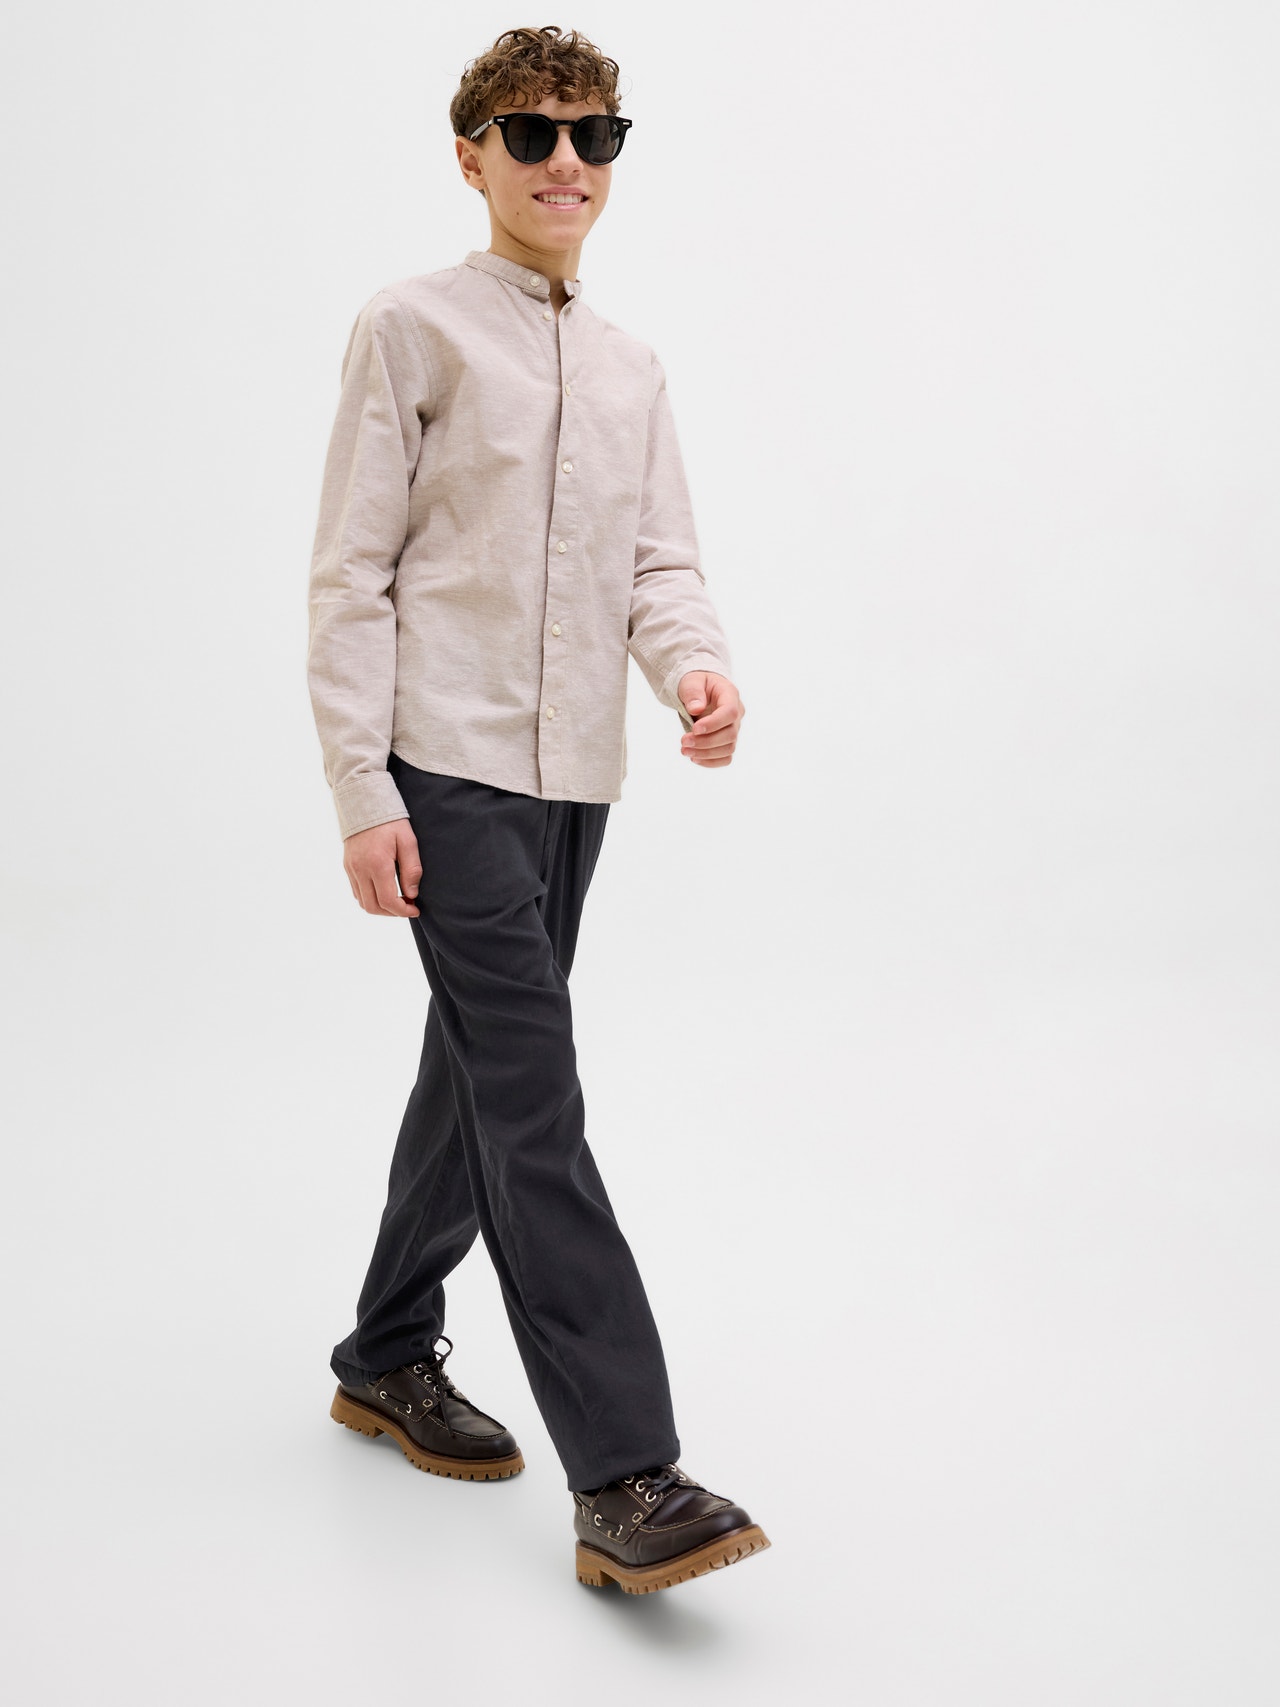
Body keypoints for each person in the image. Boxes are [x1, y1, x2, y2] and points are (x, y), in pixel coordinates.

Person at [306, 23, 769, 1596]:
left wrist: (693, 666)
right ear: (474, 156)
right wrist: (362, 786)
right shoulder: (412, 328)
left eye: (593, 136)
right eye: (532, 133)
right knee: (534, 1096)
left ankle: (385, 1349)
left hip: (577, 778)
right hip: (444, 766)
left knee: (478, 1068)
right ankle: (627, 1473)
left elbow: (660, 560)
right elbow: (351, 572)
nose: (565, 161)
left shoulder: (633, 367)